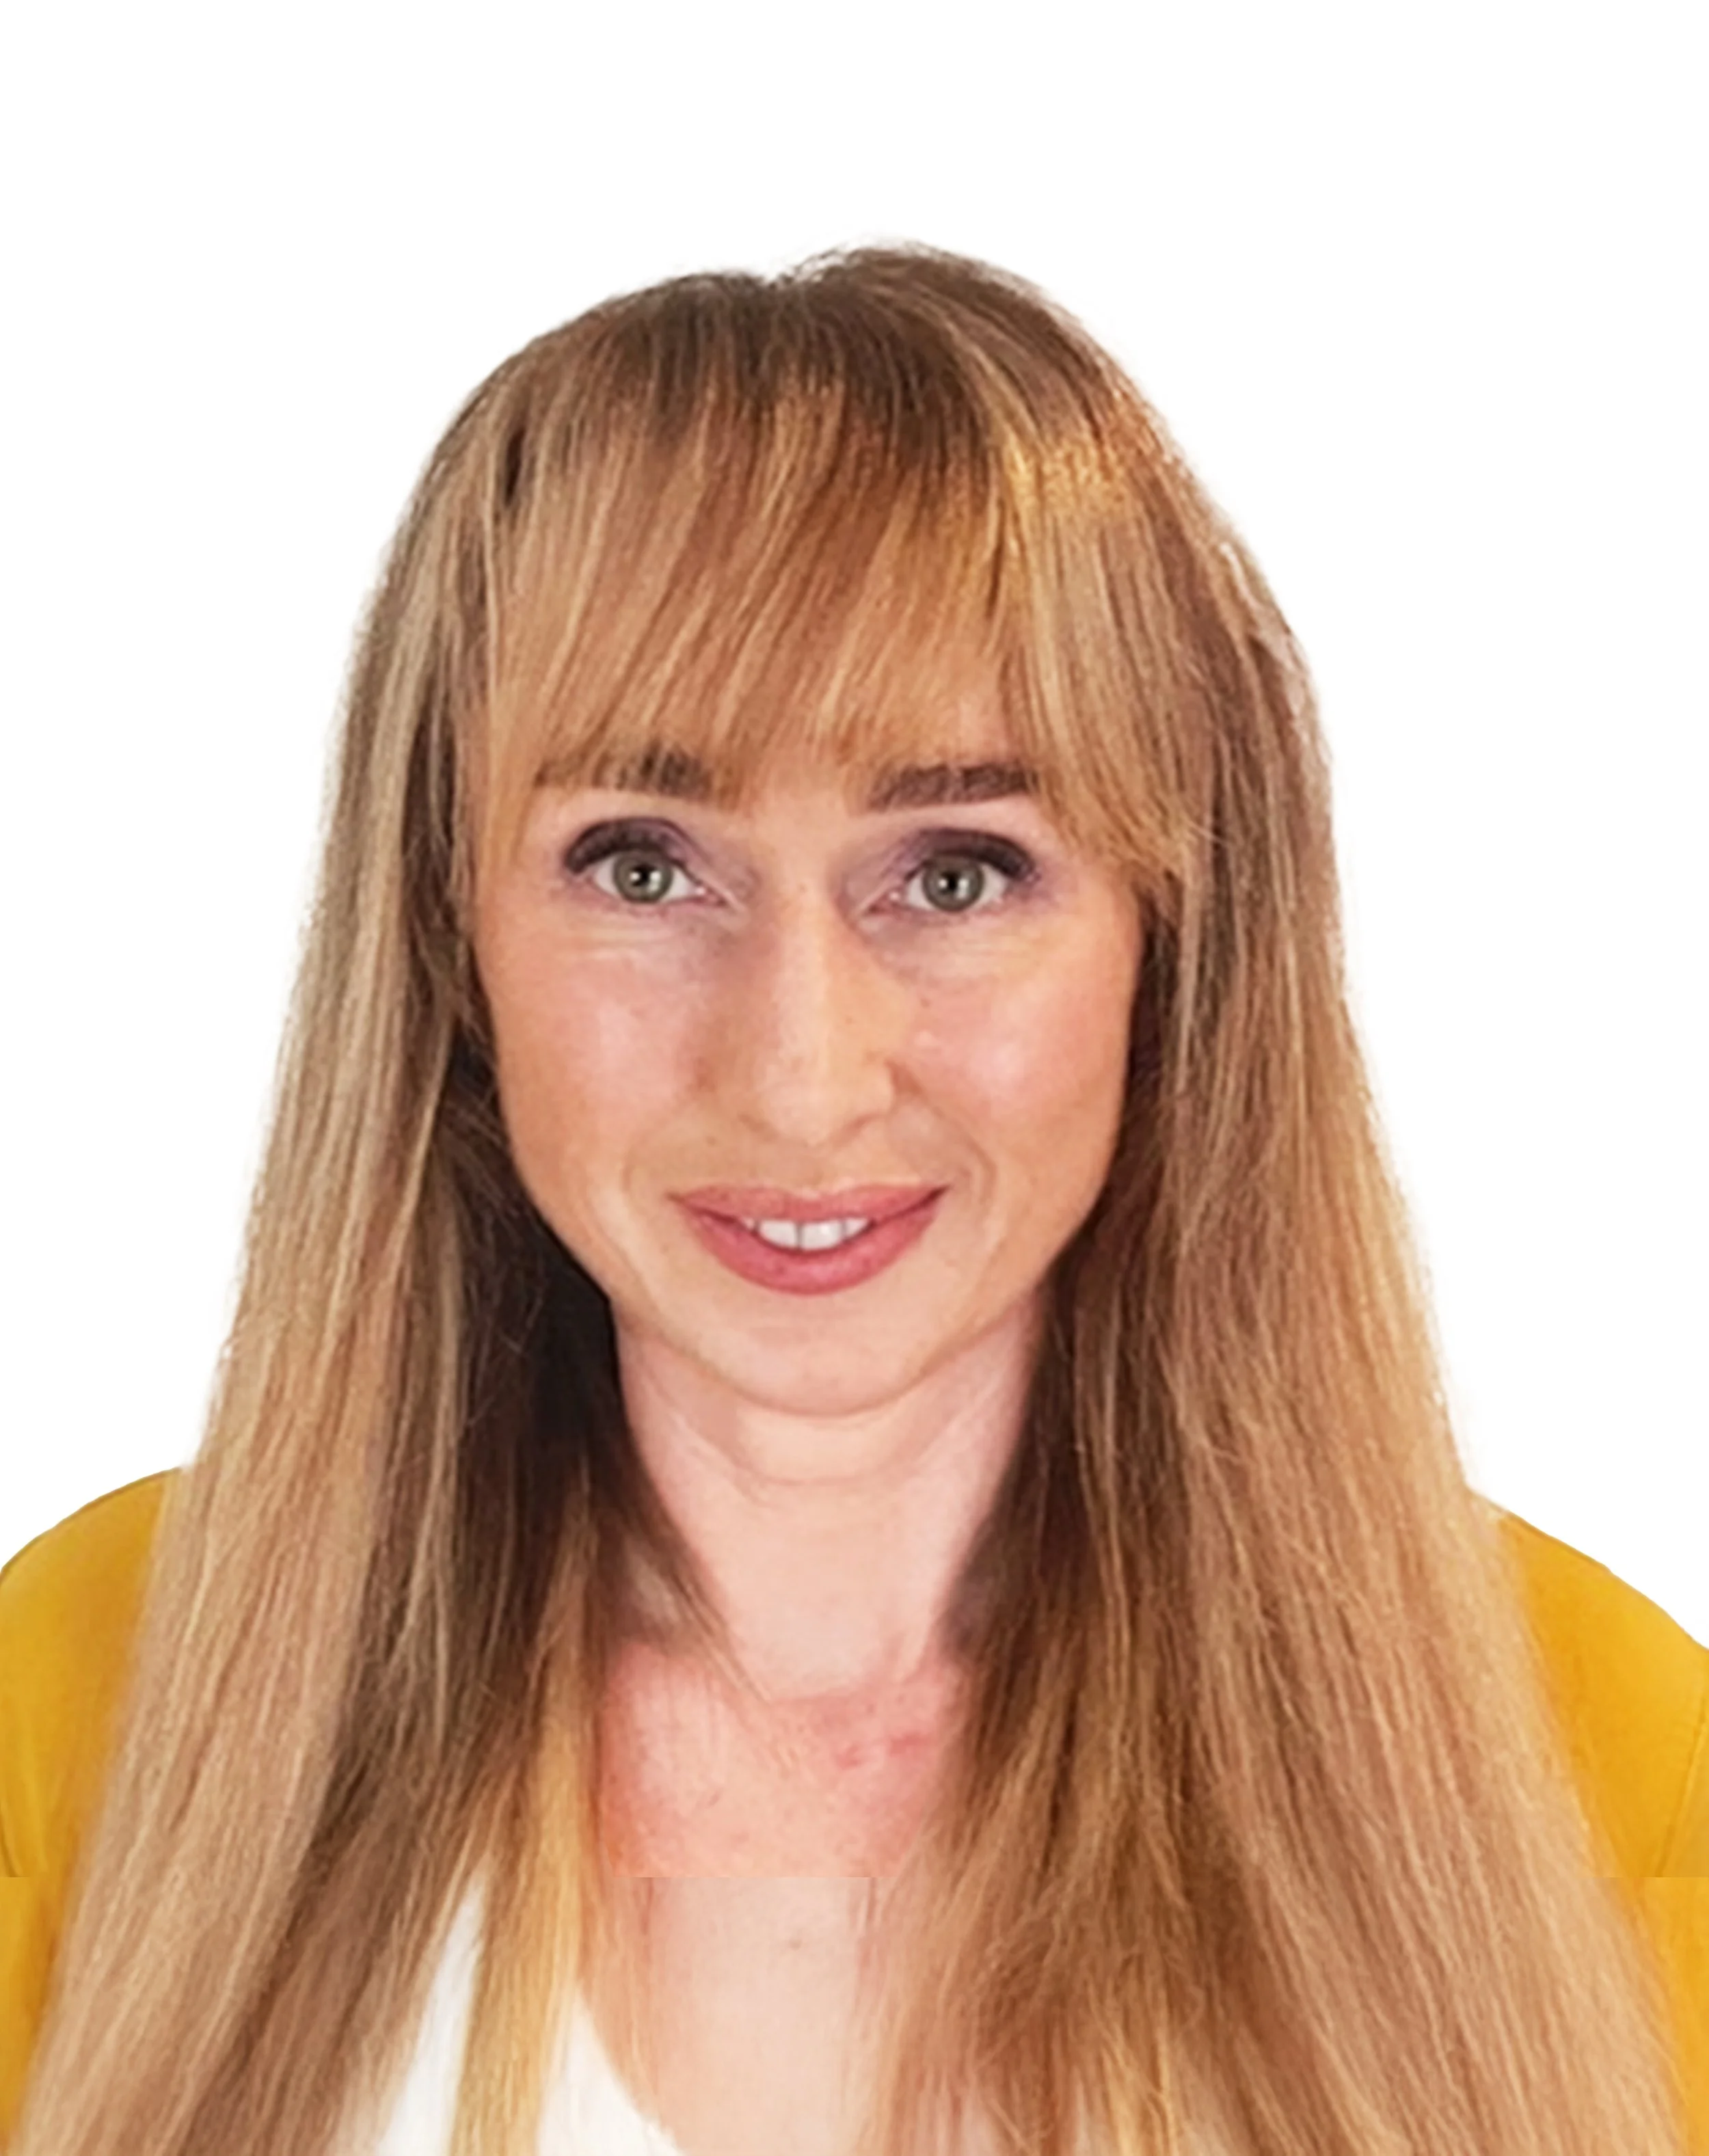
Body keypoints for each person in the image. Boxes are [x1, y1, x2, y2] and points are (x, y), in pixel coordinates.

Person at [1, 245, 1704, 2156]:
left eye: (959, 872)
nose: (803, 1075)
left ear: (1180, 944)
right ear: (444, 942)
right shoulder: (85, 1707)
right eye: (640, 868)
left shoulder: (1592, 1759)